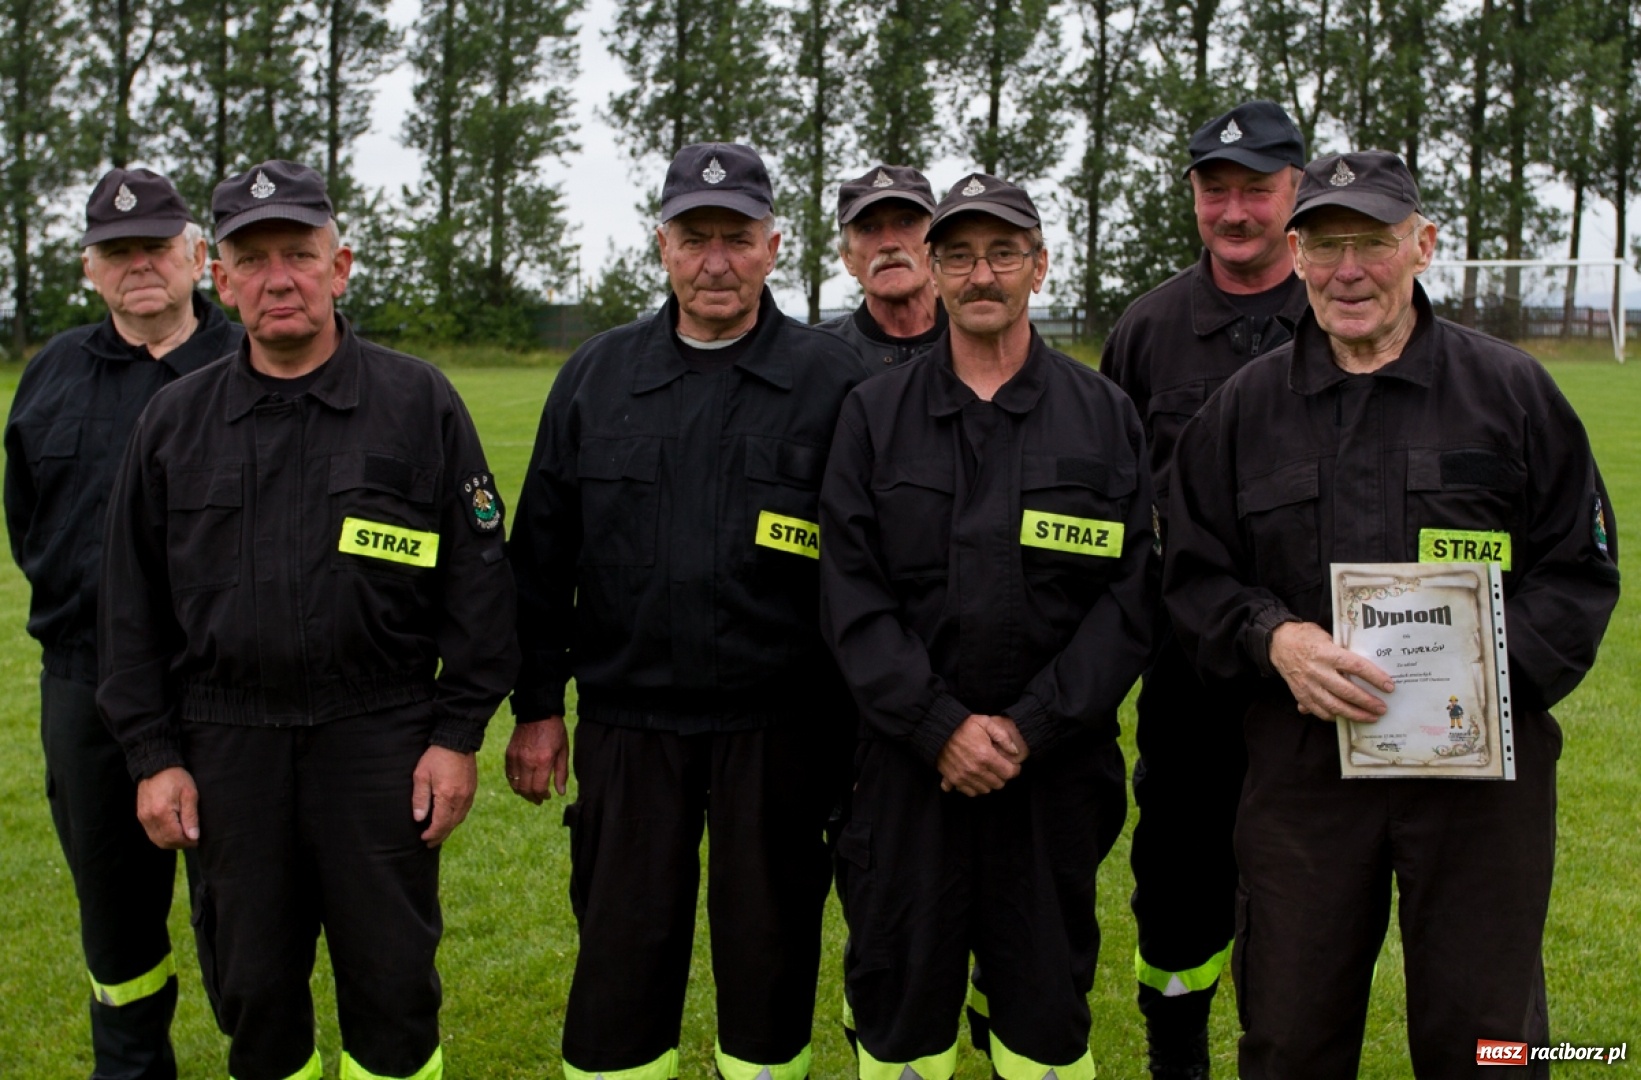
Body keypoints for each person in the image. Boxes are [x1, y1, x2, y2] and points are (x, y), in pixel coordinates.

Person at [1164, 151, 1620, 1079]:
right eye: (1325, 246)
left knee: (1489, 1037)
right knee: (1289, 1032)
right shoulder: (1242, 412)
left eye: (1370, 244)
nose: (1347, 271)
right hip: (1303, 770)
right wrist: (1274, 638)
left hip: (1479, 773)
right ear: (1295, 256)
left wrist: (1489, 679)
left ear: (1421, 246)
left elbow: (1578, 572)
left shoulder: (1512, 393)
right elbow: (1192, 576)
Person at [97, 159, 518, 1080]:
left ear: (342, 264)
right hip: (226, 746)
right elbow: (128, 613)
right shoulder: (173, 424)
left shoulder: (418, 405)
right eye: (252, 259)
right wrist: (154, 756)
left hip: (378, 741)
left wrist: (456, 735)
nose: (277, 277)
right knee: (253, 995)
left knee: (396, 987)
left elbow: (480, 585)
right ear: (220, 276)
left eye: (300, 253)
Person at [505, 142, 864, 1080]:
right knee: (620, 967)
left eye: (736, 238)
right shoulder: (597, 376)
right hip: (631, 729)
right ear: (659, 246)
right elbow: (539, 556)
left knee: (771, 962)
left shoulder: (837, 382)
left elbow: (873, 569)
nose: (715, 260)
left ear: (773, 245)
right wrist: (539, 708)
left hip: (781, 730)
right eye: (693, 237)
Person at [819, 173, 1154, 1080]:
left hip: (1052, 775)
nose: (981, 275)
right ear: (933, 271)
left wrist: (1028, 727)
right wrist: (937, 728)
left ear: (1038, 268)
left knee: (1044, 1014)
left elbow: (1128, 599)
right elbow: (849, 592)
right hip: (900, 773)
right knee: (899, 1012)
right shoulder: (872, 416)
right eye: (959, 256)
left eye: (1003, 253)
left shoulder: (1101, 416)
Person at [4, 167, 240, 1080]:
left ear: (196, 257)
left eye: (157, 246)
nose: (140, 265)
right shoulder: (52, 375)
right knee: (115, 913)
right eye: (117, 252)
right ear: (89, 269)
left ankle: (256, 1049)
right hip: (87, 684)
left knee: (242, 909)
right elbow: (29, 517)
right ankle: (131, 1067)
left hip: (223, 684)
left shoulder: (249, 359)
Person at [1097, 100, 1308, 1079]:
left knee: (1307, 882)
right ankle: (1176, 1051)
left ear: (1293, 191)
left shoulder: (1342, 311)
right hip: (1189, 674)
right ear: (1191, 194)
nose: (1235, 210)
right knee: (1178, 880)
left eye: (1255, 190)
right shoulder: (1147, 331)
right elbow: (1114, 510)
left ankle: (1290, 1043)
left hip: (1318, 678)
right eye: (1214, 188)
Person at [819, 164, 946, 369]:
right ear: (847, 257)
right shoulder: (818, 355)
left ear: (936, 244)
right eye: (868, 228)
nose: (888, 244)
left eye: (906, 222)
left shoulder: (981, 344)